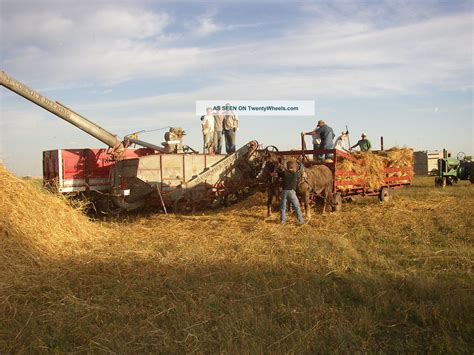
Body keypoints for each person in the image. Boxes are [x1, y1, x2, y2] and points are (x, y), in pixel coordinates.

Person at [278, 160, 305, 225]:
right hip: (292, 192)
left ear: (287, 167)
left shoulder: (284, 173)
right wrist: (300, 162)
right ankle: (301, 221)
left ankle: (283, 221)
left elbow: (278, 173)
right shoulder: (295, 174)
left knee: (283, 207)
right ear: (293, 167)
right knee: (296, 207)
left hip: (284, 192)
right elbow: (301, 169)